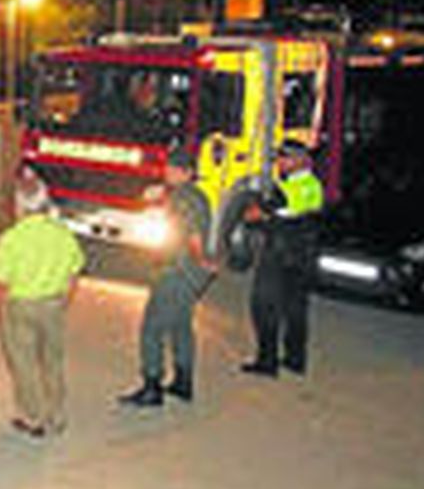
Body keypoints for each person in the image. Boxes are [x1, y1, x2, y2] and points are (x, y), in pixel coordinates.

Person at [0, 170, 85, 438]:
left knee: (24, 363)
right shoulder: (62, 234)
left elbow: (0, 284)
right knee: (52, 361)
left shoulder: (11, 239)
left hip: (21, 305)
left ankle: (33, 417)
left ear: (19, 205)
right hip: (53, 304)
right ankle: (56, 415)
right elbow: (75, 272)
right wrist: (65, 300)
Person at [119, 147, 217, 407]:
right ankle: (183, 383)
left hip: (177, 270)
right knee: (180, 325)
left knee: (152, 328)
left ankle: (152, 387)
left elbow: (193, 235)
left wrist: (201, 261)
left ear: (186, 173)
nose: (166, 173)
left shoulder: (183, 199)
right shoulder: (197, 195)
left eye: (172, 169)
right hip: (188, 272)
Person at [241, 140, 325, 378]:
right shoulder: (314, 185)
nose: (279, 163)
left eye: (283, 158)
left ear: (299, 160)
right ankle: (295, 359)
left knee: (264, 306)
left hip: (279, 253)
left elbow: (253, 216)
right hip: (303, 255)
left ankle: (267, 362)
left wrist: (254, 208)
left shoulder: (286, 189)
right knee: (296, 309)